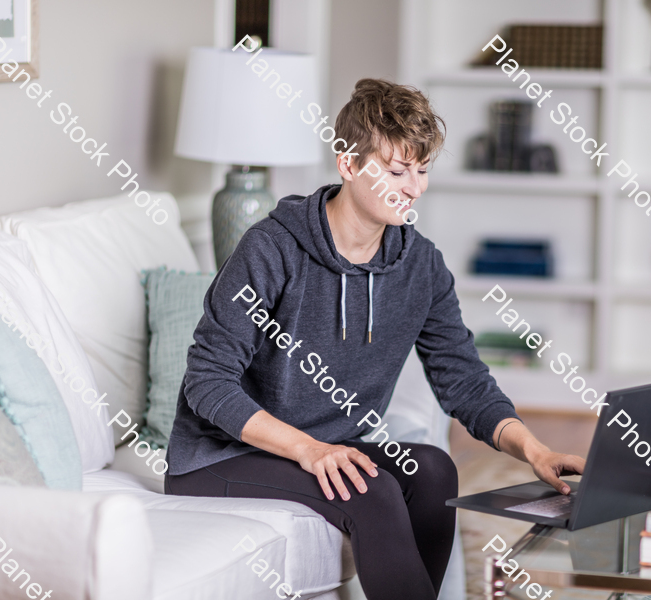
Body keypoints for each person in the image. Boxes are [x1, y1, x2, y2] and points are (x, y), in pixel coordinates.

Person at [164, 78, 587, 600]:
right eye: (395, 170)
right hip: (222, 454)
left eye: (422, 170)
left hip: (330, 446)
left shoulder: (419, 264)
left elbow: (464, 379)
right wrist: (309, 450)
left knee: (432, 468)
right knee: (374, 490)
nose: (414, 187)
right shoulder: (271, 248)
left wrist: (533, 449)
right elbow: (207, 384)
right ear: (347, 163)